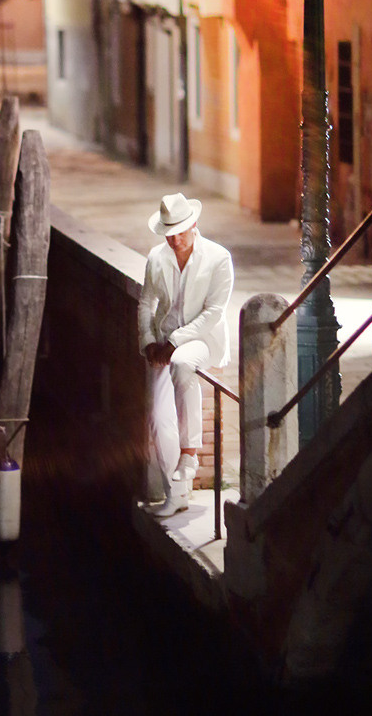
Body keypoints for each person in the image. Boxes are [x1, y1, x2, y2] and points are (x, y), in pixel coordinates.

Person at [138, 192, 233, 517]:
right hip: (163, 342)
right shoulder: (157, 257)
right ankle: (174, 494)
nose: (175, 238)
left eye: (180, 230)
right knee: (158, 418)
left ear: (194, 224)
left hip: (201, 339)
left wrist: (175, 342)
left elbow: (214, 312)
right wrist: (149, 340)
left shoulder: (218, 258)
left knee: (181, 362)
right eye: (169, 231)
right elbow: (146, 302)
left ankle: (190, 452)